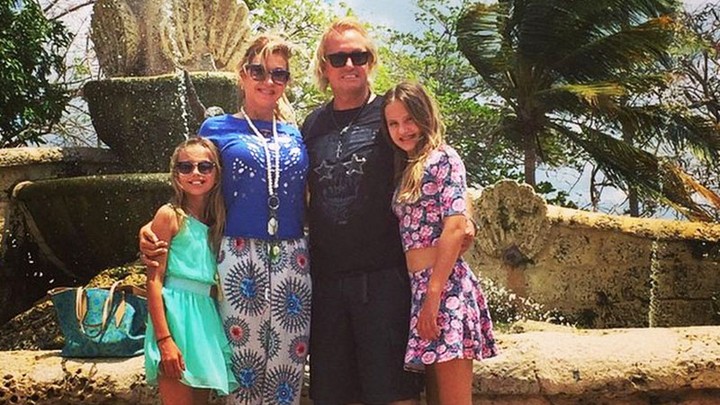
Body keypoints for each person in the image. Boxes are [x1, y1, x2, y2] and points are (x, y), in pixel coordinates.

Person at [301, 17, 475, 405]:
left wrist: (465, 217)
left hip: (384, 281)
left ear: (371, 60)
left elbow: (435, 163)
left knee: (393, 393)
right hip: (326, 282)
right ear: (324, 66)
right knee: (330, 395)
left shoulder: (389, 115)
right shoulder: (311, 124)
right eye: (338, 57)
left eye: (358, 55)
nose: (349, 64)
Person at [140, 33, 311, 405]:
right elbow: (195, 186)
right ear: (242, 74)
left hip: (293, 258)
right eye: (258, 71)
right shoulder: (216, 130)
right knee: (243, 368)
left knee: (288, 368)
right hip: (238, 255)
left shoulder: (297, 135)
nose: (268, 81)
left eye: (279, 74)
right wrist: (154, 228)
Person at [381, 82, 498, 405]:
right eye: (393, 123)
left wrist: (433, 297)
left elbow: (455, 227)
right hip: (421, 289)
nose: (402, 130)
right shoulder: (409, 167)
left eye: (409, 119)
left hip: (445, 289)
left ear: (424, 116)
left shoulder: (443, 158)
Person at [144, 137, 239, 404]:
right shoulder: (169, 216)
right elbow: (153, 281)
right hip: (176, 317)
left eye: (204, 166)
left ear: (216, 173)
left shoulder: (218, 219)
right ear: (176, 174)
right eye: (186, 167)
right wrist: (164, 339)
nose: (195, 173)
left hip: (205, 318)